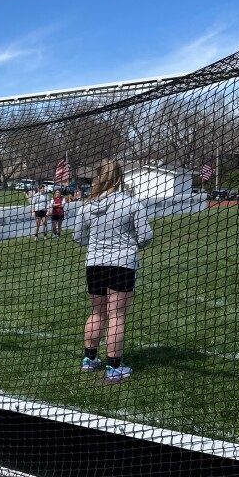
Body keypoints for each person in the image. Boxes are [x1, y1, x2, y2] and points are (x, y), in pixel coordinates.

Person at [73, 159, 153, 383]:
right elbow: (146, 236)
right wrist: (129, 244)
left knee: (97, 312)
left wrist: (98, 243)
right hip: (122, 263)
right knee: (117, 315)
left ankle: (89, 360)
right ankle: (114, 367)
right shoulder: (131, 203)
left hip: (94, 264)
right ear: (119, 177)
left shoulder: (87, 206)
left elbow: (78, 237)